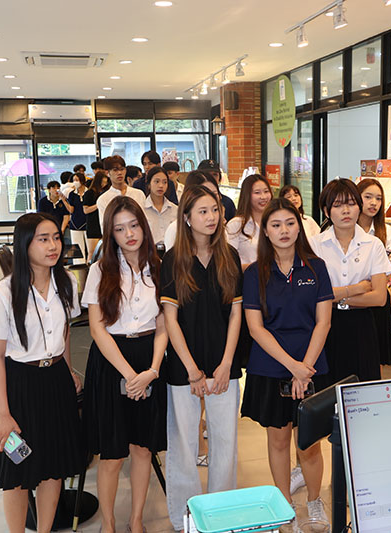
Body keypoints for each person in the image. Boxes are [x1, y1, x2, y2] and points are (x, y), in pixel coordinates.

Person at [0, 212, 84, 533]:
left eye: (55, 238)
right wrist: (3, 413)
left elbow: (64, 334)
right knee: (18, 474)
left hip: (55, 383)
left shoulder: (65, 284)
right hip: (18, 386)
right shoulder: (3, 294)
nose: (53, 246)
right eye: (43, 239)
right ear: (24, 245)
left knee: (54, 470)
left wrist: (67, 369)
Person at [241, 198, 333, 530]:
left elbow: (323, 322)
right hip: (270, 367)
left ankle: (313, 500)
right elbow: (255, 328)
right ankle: (284, 506)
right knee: (278, 440)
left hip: (311, 366)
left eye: (290, 223)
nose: (284, 230)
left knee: (309, 444)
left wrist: (304, 367)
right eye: (276, 225)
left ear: (300, 226)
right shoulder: (254, 274)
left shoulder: (316, 267)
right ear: (265, 231)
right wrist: (292, 366)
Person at [160, 184, 244, 533]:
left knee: (225, 442)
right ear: (187, 218)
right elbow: (170, 319)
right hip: (184, 366)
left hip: (224, 365)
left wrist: (226, 364)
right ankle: (186, 518)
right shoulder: (173, 259)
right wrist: (193, 370)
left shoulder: (230, 256)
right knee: (183, 445)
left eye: (216, 210)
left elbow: (236, 314)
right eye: (203, 212)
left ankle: (220, 514)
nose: (212, 217)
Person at [82, 196, 167, 533]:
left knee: (143, 448)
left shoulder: (159, 267)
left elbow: (163, 326)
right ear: (110, 234)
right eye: (119, 229)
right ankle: (109, 523)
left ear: (143, 227)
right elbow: (96, 328)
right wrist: (130, 375)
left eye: (133, 225)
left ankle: (135, 521)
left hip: (149, 360)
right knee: (113, 454)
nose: (129, 234)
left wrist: (152, 371)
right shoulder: (100, 270)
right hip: (111, 363)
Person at [310, 179, 391, 383]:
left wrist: (337, 297)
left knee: (362, 389)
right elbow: (312, 295)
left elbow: (379, 297)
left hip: (362, 326)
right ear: (327, 212)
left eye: (351, 203)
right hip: (324, 325)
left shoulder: (373, 245)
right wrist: (357, 288)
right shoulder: (314, 245)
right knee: (325, 391)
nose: (346, 210)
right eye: (337, 205)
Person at [356, 178, 391, 367]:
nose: (373, 203)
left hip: (377, 300)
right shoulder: (347, 230)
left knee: (376, 360)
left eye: (378, 198)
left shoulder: (387, 232)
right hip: (353, 297)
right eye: (368, 197)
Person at [163, 170, 228, 251]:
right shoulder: (175, 230)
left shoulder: (220, 231)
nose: (210, 198)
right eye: (203, 192)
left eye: (214, 194)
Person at [227, 174, 273, 268]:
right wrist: (257, 268)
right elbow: (228, 263)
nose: (263, 197)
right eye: (257, 192)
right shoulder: (236, 225)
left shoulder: (275, 223)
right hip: (247, 279)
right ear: (247, 195)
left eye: (266, 191)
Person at [98, 155, 147, 232]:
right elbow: (104, 228)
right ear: (107, 173)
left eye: (122, 169)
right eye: (115, 170)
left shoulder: (138, 194)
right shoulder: (103, 199)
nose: (119, 173)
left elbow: (145, 220)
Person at [143, 165, 178, 247]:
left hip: (172, 252)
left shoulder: (175, 210)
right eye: (156, 181)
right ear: (149, 184)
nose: (161, 186)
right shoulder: (141, 209)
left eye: (164, 182)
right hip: (150, 252)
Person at [63, 172, 90, 264]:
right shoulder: (72, 194)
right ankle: (79, 268)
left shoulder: (89, 192)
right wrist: (64, 200)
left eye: (77, 180)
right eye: (74, 180)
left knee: (90, 248)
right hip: (75, 223)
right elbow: (71, 210)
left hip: (87, 223)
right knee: (77, 249)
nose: (75, 182)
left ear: (82, 181)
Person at [85, 169, 108, 261]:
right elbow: (86, 210)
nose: (104, 185)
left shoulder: (104, 193)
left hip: (102, 223)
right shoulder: (89, 193)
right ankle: (89, 271)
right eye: (102, 182)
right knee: (92, 252)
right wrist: (98, 204)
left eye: (105, 183)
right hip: (93, 224)